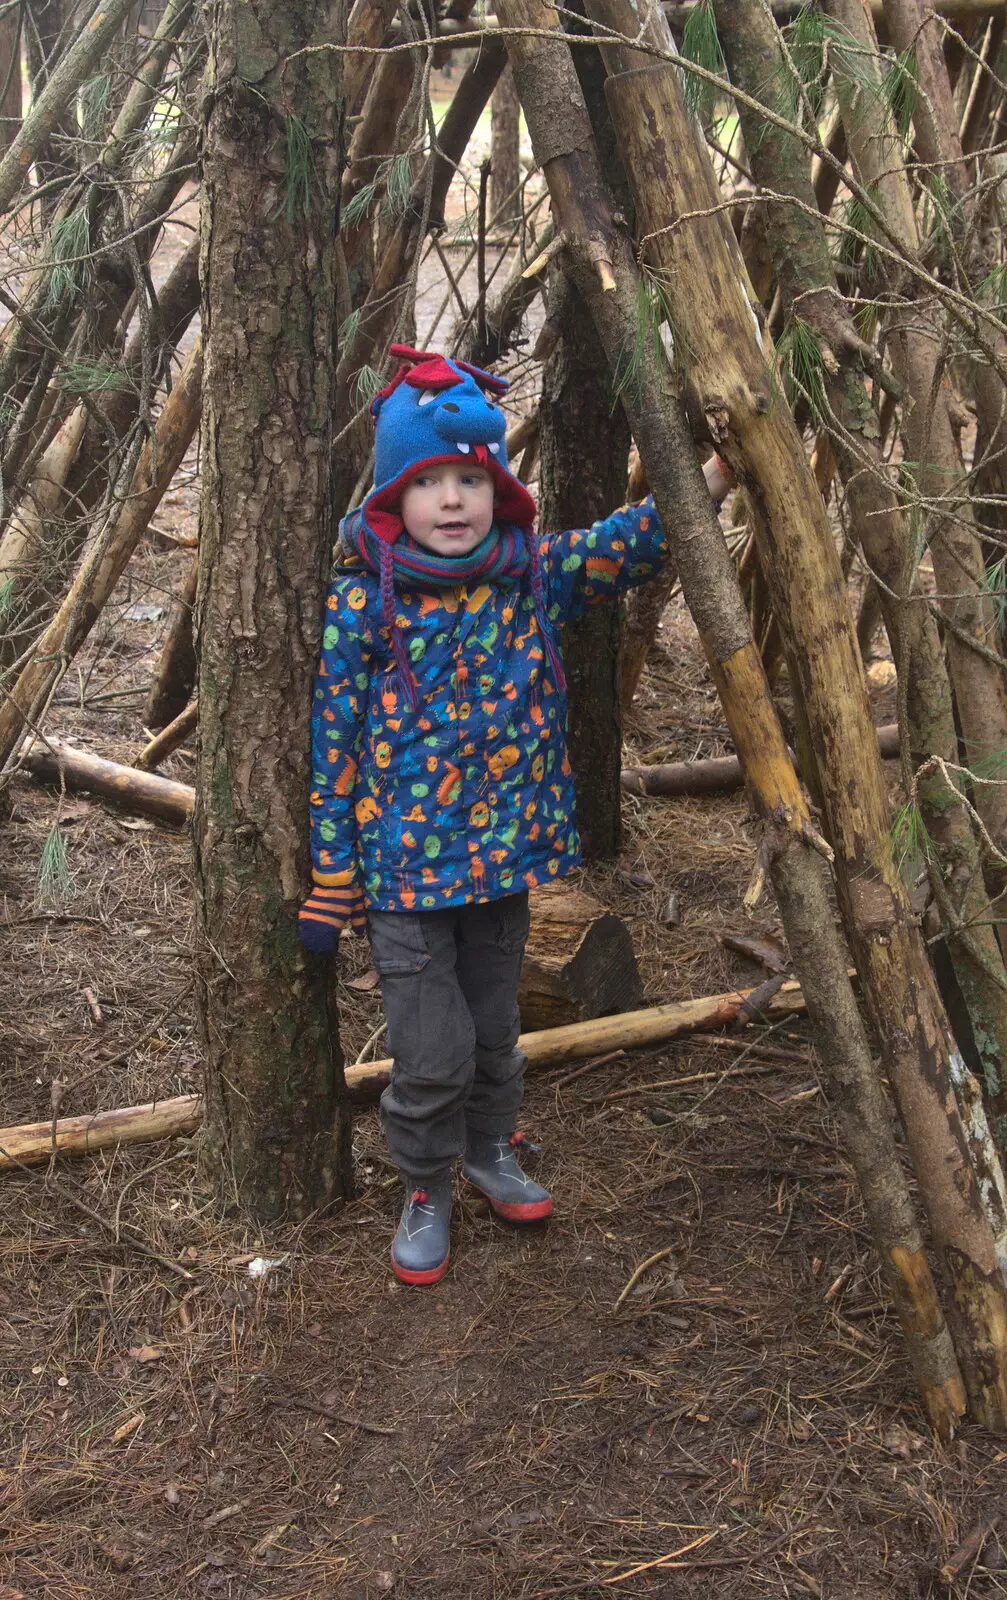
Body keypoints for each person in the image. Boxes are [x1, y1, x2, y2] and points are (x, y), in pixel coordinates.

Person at [299, 343, 721, 1286]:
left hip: (500, 866)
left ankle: (491, 1151)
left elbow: (630, 543)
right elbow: (329, 756)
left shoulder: (530, 576)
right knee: (431, 1048)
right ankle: (425, 1183)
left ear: (497, 489)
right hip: (403, 879)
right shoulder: (361, 607)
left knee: (494, 1027)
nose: (452, 500)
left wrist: (720, 468)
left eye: (470, 479)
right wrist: (332, 877)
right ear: (392, 501)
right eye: (430, 482)